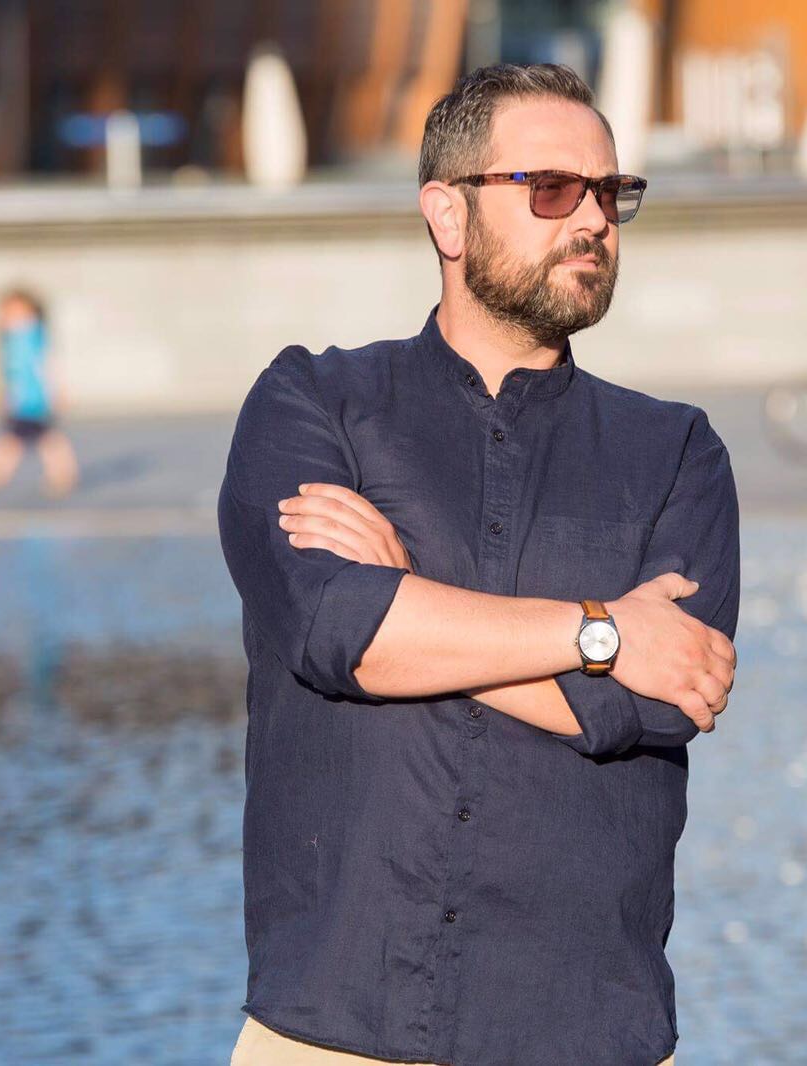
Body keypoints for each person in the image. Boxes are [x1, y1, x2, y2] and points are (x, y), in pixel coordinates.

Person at [217, 64, 739, 1066]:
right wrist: (604, 634)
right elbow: (338, 632)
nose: (592, 218)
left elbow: (664, 700)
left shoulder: (676, 452)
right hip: (334, 1031)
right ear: (447, 216)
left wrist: (407, 598)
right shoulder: (313, 404)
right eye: (553, 189)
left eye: (611, 192)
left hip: (586, 1035)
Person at [0, 288, 79, 496]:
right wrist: (7, 395)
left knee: (34, 438)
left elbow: (47, 365)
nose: (7, 317)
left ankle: (61, 474)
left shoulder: (33, 336)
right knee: (28, 438)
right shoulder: (12, 339)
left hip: (34, 399)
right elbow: (12, 374)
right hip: (21, 400)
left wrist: (57, 390)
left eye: (13, 312)